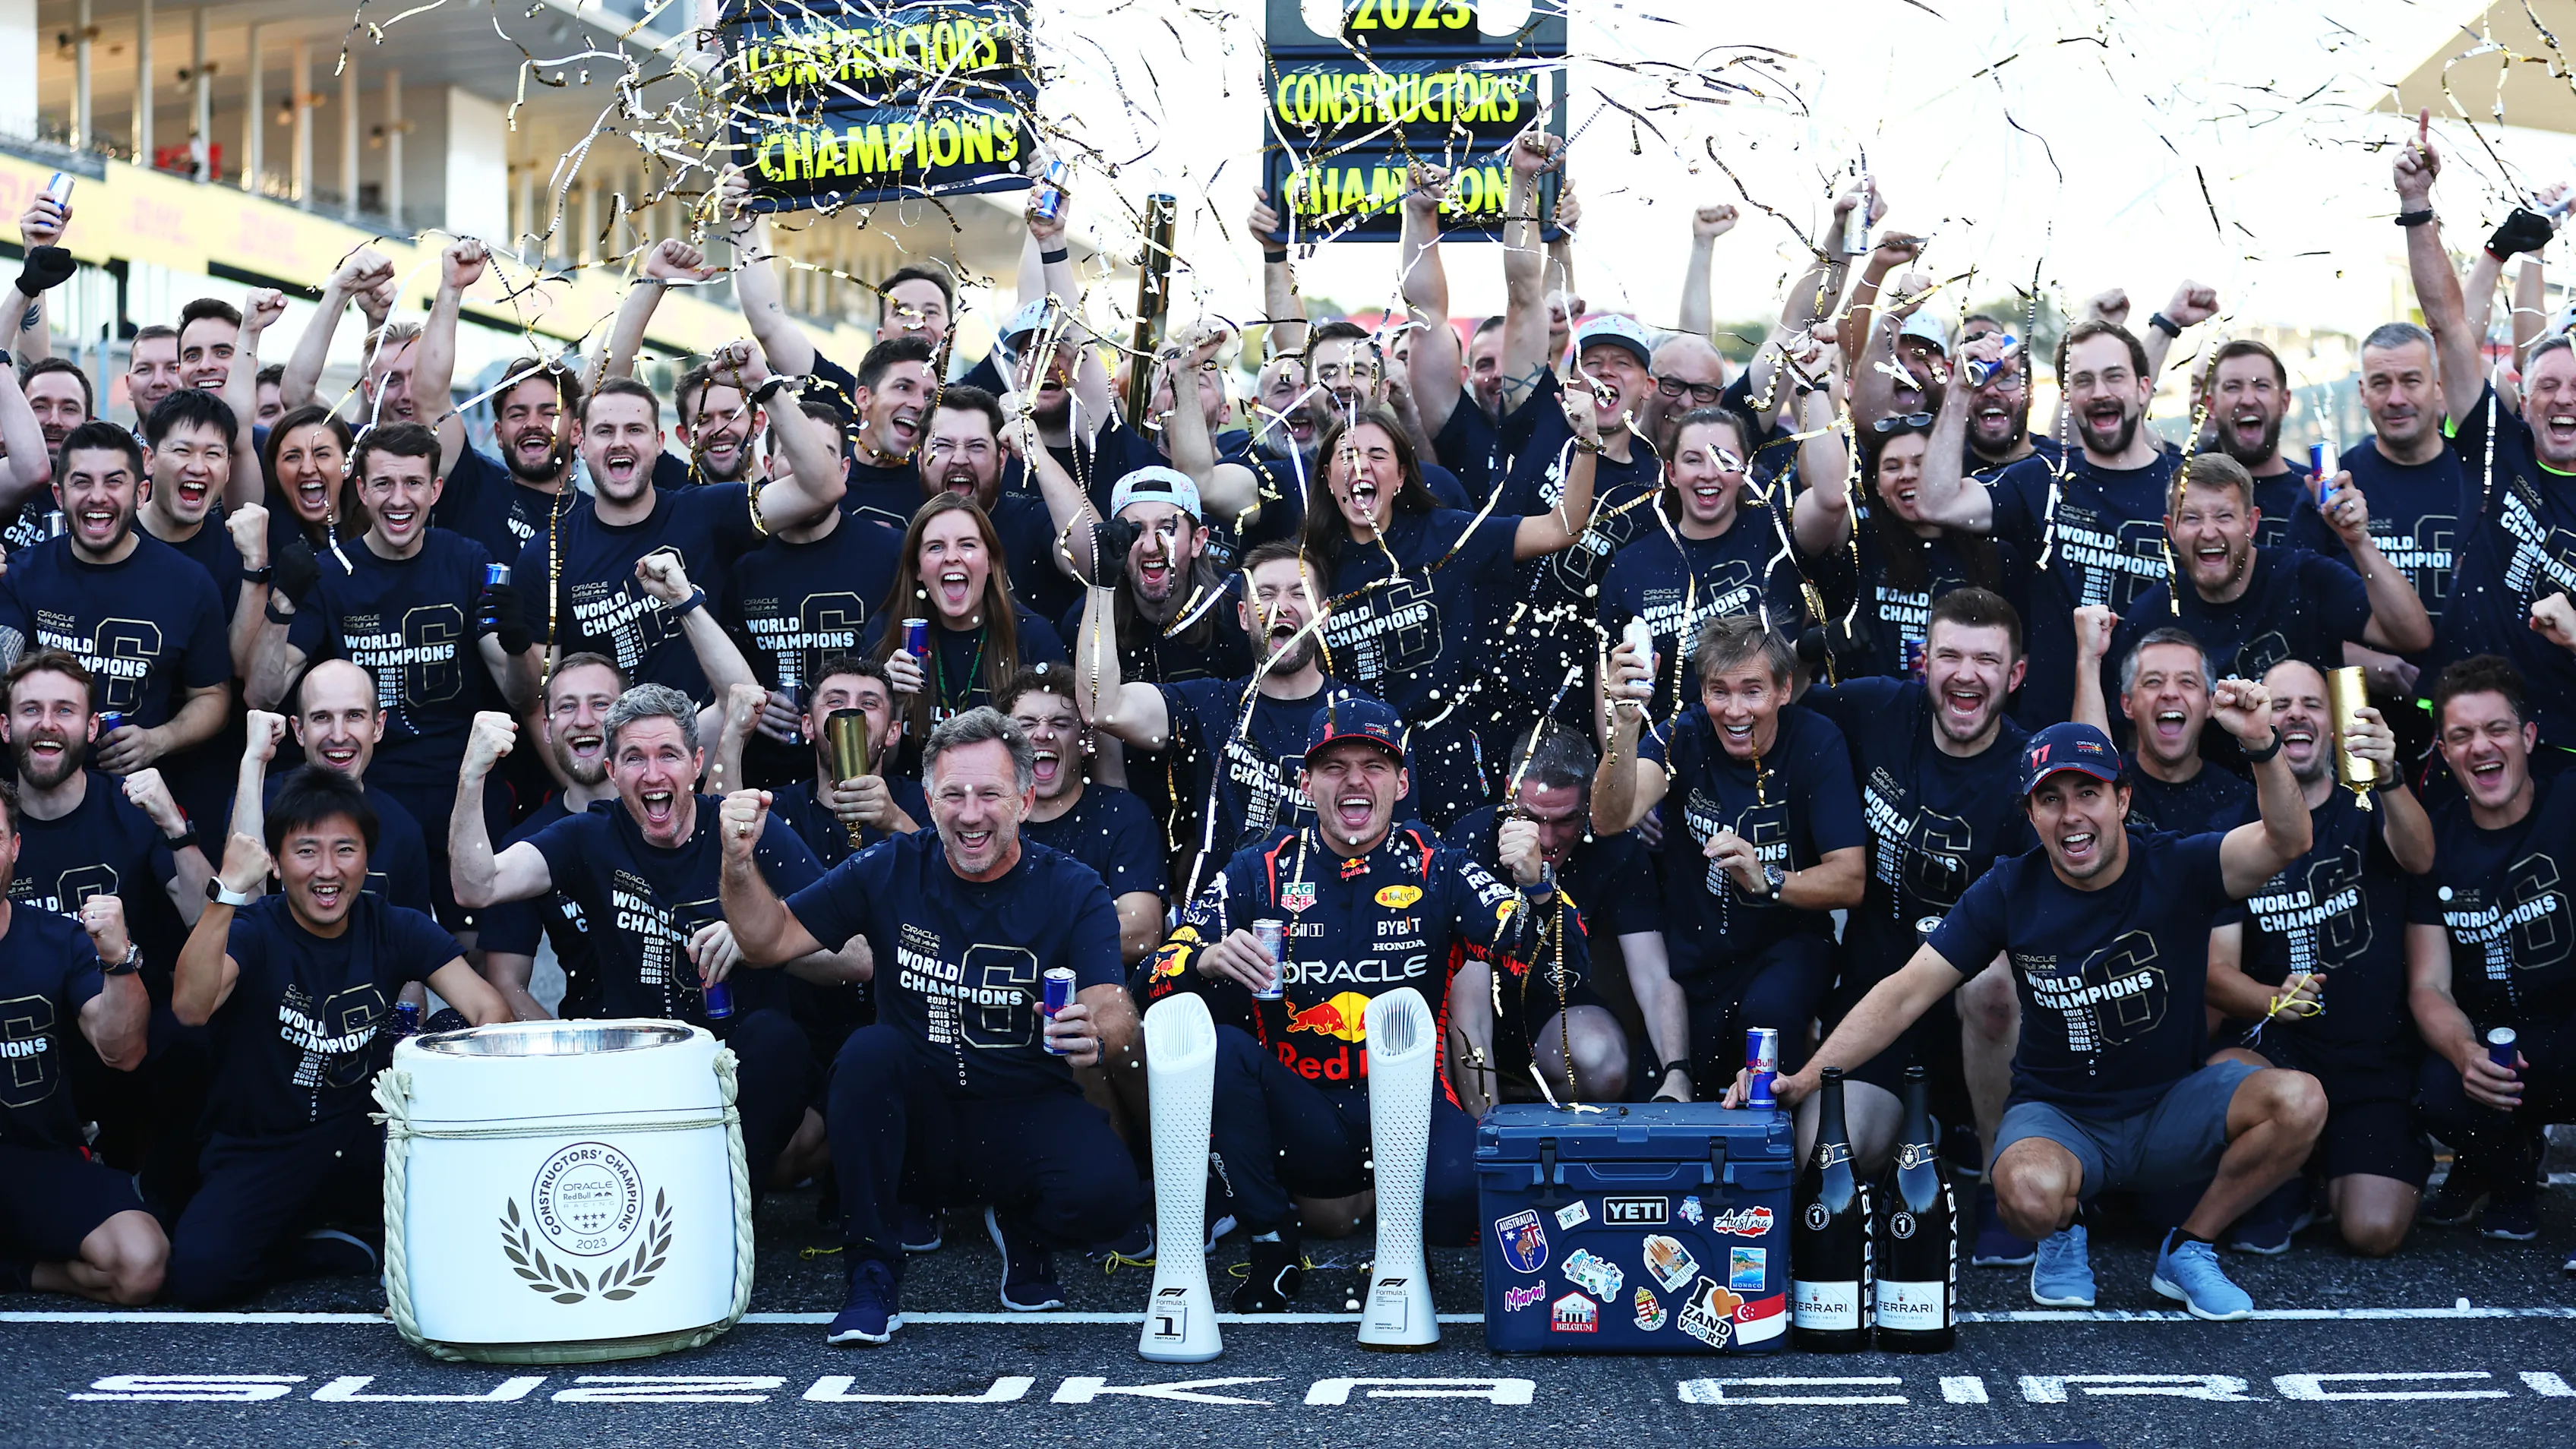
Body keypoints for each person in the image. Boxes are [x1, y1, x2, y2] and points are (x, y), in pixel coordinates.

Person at [1728, 684, 2324, 1322]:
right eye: (2050, 799)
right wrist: (1803, 1079)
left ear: (2122, 800)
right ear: (2031, 815)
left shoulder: (2179, 864)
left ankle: (2190, 1248)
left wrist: (2261, 744)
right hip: (2063, 1116)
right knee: (2025, 1193)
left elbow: (2288, 841)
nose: (2071, 816)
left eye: (2088, 793)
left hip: (2169, 1104)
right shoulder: (2009, 889)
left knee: (2300, 1101)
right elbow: (1904, 993)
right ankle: (2063, 1233)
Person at [716, 708, 1144, 1342]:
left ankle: (1024, 1227)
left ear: (1025, 800)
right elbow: (767, 940)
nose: (970, 814)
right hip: (920, 1122)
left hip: (1024, 1108)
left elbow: (1114, 1004)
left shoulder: (1072, 888)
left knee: (1110, 1198)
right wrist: (737, 864)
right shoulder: (890, 867)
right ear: (929, 800)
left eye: (990, 794)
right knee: (867, 1053)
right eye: (953, 795)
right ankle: (871, 1277)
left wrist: (1097, 1031)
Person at [1138, 694, 1573, 1311]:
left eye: (1373, 766)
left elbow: (1556, 971)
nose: (1354, 782)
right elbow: (1148, 978)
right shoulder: (1258, 870)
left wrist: (1539, 887)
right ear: (1306, 783)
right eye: (1334, 767)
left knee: (1458, 1198)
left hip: (1411, 1106)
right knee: (1221, 1052)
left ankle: (1406, 1245)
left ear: (1401, 783)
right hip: (1304, 1115)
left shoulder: (1438, 868)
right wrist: (1203, 959)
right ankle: (1271, 1243)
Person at [450, 689, 862, 1196]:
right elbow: (477, 886)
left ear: (696, 763)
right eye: (633, 758)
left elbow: (857, 957)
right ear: (611, 770)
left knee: (779, 1043)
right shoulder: (588, 835)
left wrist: (760, 934)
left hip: (735, 1068)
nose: (652, 774)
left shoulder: (747, 828)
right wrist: (472, 778)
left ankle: (717, 1203)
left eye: (668, 755)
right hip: (636, 1068)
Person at [165, 767, 510, 1306]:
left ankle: (358, 1227)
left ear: (367, 859)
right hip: (265, 1146)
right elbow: (190, 1007)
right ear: (276, 862)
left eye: (344, 850)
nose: (327, 871)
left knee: (449, 1035)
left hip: (366, 1138)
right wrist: (227, 892)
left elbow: (491, 1013)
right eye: (306, 851)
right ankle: (312, 1248)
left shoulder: (394, 925)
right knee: (198, 1278)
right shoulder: (254, 931)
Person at [250, 422, 540, 932]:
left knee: (482, 955)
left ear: (436, 490)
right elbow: (262, 693)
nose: (399, 499)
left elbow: (521, 693)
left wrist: (519, 646)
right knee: (377, 946)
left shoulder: (467, 560)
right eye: (384, 483)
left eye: (413, 483)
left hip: (461, 790)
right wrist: (281, 604)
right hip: (368, 796)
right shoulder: (331, 571)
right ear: (361, 490)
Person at [1795, 589, 2033, 1198]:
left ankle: (1998, 1183)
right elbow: (1774, 705)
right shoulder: (1878, 708)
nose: (1966, 674)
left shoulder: (2029, 775)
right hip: (1877, 1001)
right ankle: (1915, 1129)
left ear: (2015, 675)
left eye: (1986, 660)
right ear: (1924, 662)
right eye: (1950, 656)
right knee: (1824, 1156)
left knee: (1993, 986)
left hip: (1986, 1023)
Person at [2204, 658, 2433, 1257]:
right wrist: (2271, 1000)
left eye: (2311, 704)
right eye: (2280, 705)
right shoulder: (2231, 827)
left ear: (2333, 723)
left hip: (2369, 1060)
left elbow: (2420, 857)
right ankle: (2291, 1170)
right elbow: (2217, 973)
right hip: (2278, 1053)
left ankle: (2320, 1169)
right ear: (2260, 721)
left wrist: (2390, 777)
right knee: (2220, 1076)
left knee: (2372, 1232)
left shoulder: (2371, 802)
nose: (2296, 716)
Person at [1594, 616, 1868, 1087]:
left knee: (1767, 1036)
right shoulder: (1684, 733)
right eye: (1719, 691)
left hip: (1788, 948)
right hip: (1698, 958)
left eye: (1752, 691)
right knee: (1669, 1099)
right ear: (1702, 692)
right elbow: (1610, 819)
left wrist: (1768, 878)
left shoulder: (1817, 742)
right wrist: (1623, 726)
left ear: (1784, 689)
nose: (1735, 711)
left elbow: (1850, 880)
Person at [1305, 400, 1596, 828]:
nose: (1361, 465)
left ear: (1401, 476)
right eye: (1347, 455)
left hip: (1447, 755)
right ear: (1328, 477)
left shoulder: (1447, 535)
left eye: (1377, 455)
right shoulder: (1309, 567)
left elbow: (1562, 528)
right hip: (1355, 763)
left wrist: (1587, 443)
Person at [2398, 125, 2576, 738]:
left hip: (2560, 748)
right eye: (2548, 385)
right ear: (2522, 399)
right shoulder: (2498, 448)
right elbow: (2449, 328)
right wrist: (2418, 205)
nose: (2564, 399)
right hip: (2459, 727)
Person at [1916, 320, 2183, 729]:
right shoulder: (2043, 479)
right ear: (2067, 398)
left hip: (2159, 732)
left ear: (2144, 389)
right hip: (2053, 736)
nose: (2100, 392)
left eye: (2114, 376)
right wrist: (1960, 389)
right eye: (2083, 381)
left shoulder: (2182, 488)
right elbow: (1937, 503)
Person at [516, 376, 846, 699]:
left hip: (708, 731)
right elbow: (538, 700)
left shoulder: (707, 511)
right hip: (607, 736)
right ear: (581, 442)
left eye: (635, 430)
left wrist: (765, 386)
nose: (619, 442)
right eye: (604, 431)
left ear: (659, 442)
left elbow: (823, 488)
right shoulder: (547, 553)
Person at [1077, 540, 1370, 898]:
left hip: (1330, 914)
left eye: (1299, 593)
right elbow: (1101, 706)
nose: (1282, 606)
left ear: (1323, 616)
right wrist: (1101, 587)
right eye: (1266, 594)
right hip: (1223, 919)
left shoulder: (1365, 719)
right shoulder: (1211, 704)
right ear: (1244, 617)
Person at [2406, 656, 2576, 1258]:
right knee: (2435, 1087)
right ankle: (2509, 1173)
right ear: (2445, 753)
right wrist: (2465, 1052)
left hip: (2570, 1027)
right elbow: (2428, 986)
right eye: (2461, 735)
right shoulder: (2432, 841)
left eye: (2497, 729)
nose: (2481, 746)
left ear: (2528, 737)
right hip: (2494, 1041)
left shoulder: (2569, 802)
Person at [0, 422, 230, 794]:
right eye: (82, 482)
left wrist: (159, 739)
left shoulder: (189, 583)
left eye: (114, 482)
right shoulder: (22, 574)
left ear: (140, 493)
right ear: (59, 495)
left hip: (131, 795)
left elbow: (212, 696)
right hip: (28, 791)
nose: (97, 496)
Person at [0, 787, 163, 1305]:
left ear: (15, 847)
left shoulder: (59, 939)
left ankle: (17, 1272)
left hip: (35, 1159)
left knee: (140, 1262)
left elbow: (124, 1051)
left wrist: (119, 961)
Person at [1444, 721, 1642, 1109]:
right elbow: (1468, 1016)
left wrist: (1676, 1072)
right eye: (1532, 819)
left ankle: (1556, 1125)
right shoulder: (1467, 845)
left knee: (1603, 1062)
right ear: (1509, 793)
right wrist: (1488, 1128)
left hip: (1558, 1013)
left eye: (1567, 820)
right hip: (1476, 1016)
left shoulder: (1612, 845)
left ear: (1590, 803)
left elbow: (1653, 975)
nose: (1547, 841)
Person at [718, 391, 906, 789]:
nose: (807, 466)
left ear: (843, 469)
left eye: (822, 454)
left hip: (869, 778)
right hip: (768, 783)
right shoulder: (743, 565)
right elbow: (725, 682)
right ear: (769, 467)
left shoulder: (890, 552)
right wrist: (751, 700)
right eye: (793, 454)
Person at [2110, 453, 2430, 685]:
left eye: (2224, 516)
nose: (2208, 533)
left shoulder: (2304, 578)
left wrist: (2359, 541)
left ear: (2251, 523)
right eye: (2192, 518)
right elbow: (2134, 736)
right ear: (2171, 529)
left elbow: (2413, 636)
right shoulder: (2151, 616)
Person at [1606, 404, 1818, 721]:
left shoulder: (1776, 532)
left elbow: (1832, 498)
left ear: (1745, 469)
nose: (1708, 473)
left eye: (1724, 460)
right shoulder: (1629, 567)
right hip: (1670, 745)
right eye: (1693, 460)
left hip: (1769, 738)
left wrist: (1816, 389)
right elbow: (1610, 696)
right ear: (1672, 473)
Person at [2290, 321, 2464, 702]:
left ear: (2439, 385)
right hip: (2361, 715)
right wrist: (2357, 659)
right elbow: (2292, 612)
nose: (2396, 398)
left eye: (2411, 381)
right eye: (2381, 383)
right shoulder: (2332, 489)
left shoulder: (2478, 479)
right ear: (2363, 392)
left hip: (2471, 707)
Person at [1796, 397, 2016, 682]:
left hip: (1962, 701)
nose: (1908, 475)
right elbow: (1830, 494)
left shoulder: (1996, 554)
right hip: (1871, 704)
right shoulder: (1858, 541)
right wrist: (1816, 390)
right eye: (1892, 467)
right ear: (1876, 484)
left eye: (1921, 464)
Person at [473, 653, 628, 1021]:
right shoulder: (528, 842)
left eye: (600, 704)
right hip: (586, 1034)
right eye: (568, 706)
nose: (584, 719)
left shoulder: (665, 812)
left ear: (627, 720)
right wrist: (569, 1048)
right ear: (547, 728)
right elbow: (506, 984)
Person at [867, 493, 1071, 756]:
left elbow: (1055, 752)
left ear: (990, 562)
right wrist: (889, 701)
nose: (952, 557)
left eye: (967, 545)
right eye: (935, 547)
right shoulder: (886, 633)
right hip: (910, 784)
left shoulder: (1033, 637)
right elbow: (871, 765)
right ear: (917, 568)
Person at [230, 674, 437, 919]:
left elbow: (413, 935)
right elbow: (243, 904)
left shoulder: (403, 830)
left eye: (354, 716)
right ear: (299, 730)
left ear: (378, 726)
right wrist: (253, 760)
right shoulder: (259, 800)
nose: (338, 736)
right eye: (322, 718)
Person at [999, 671, 1166, 965]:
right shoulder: (986, 815)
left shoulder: (1122, 815)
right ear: (1005, 744)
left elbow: (1143, 932)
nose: (1042, 734)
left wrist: (1023, 937)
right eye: (1026, 724)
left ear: (1086, 741)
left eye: (1060, 723)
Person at [2074, 617, 2255, 835]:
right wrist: (2089, 659)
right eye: (2153, 681)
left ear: (2210, 703)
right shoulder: (2108, 787)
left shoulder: (2241, 800)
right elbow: (2084, 782)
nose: (2170, 693)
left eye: (2187, 681)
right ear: (2127, 704)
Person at [2199, 338, 2326, 550]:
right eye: (2233, 387)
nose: (2248, 399)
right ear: (2211, 406)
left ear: (2284, 402)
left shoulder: (2315, 494)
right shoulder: (2188, 490)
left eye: (2262, 386)